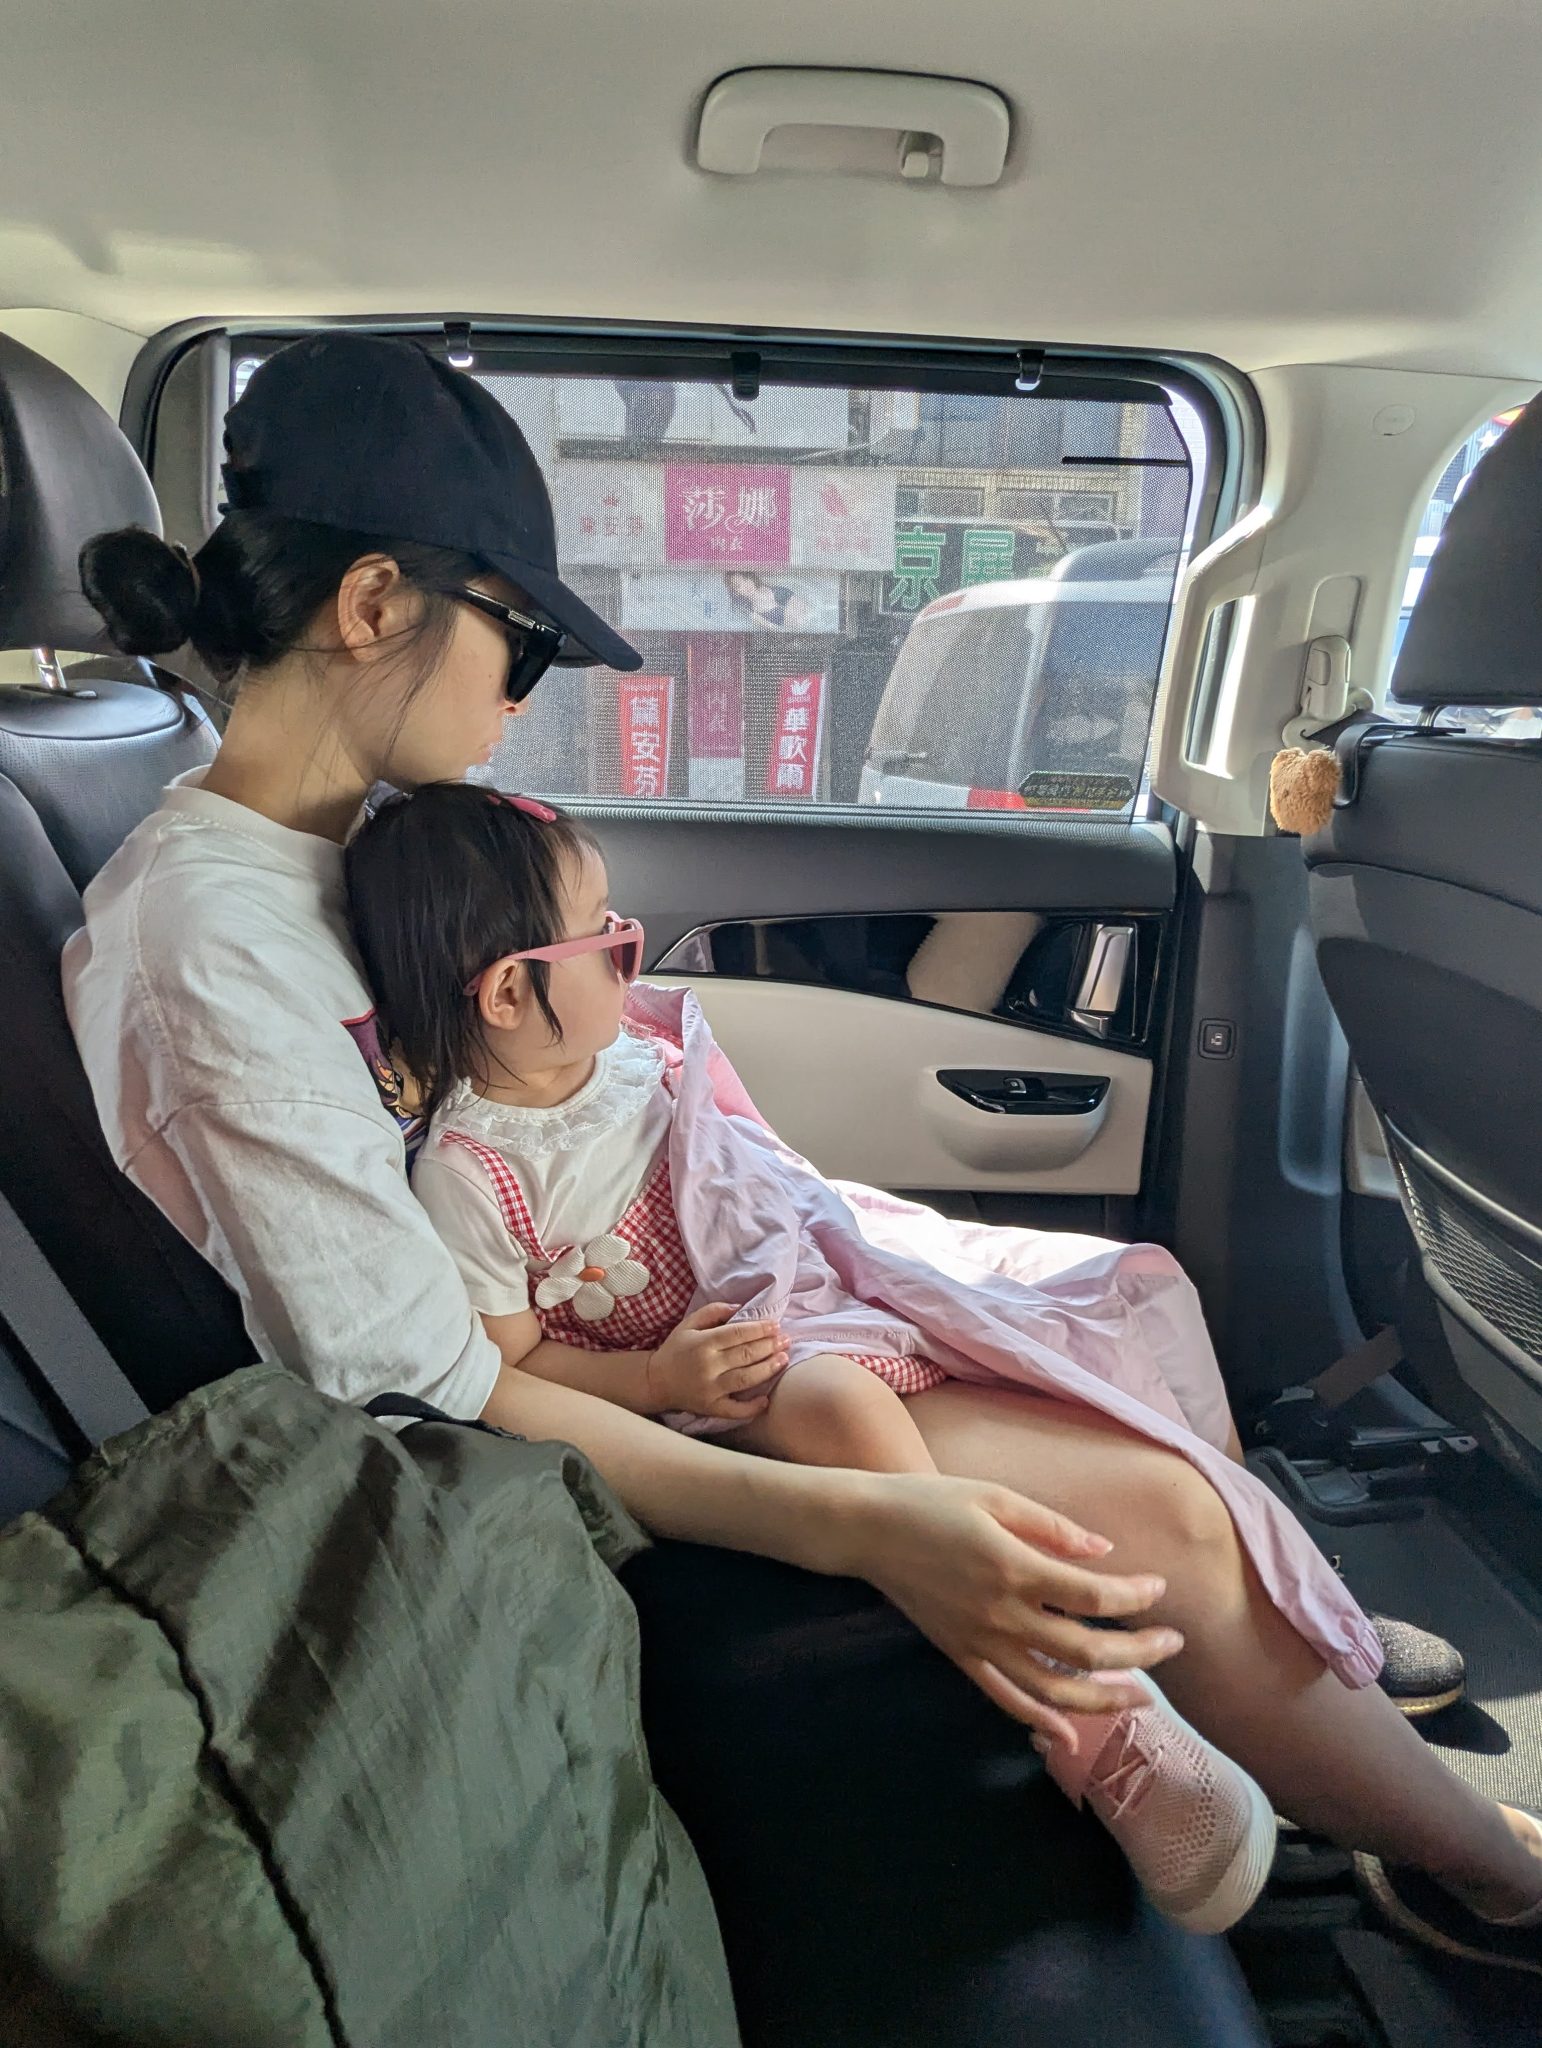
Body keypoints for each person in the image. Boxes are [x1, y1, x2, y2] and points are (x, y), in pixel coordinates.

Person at [62, 333, 1539, 1976]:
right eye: (521, 638)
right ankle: (1479, 1868)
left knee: (1094, 1313)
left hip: (610, 1339)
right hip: (527, 1444)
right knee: (1165, 1519)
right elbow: (420, 1381)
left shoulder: (343, 859)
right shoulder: (210, 940)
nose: (525, 693)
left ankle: (1280, 1670)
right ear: (371, 605)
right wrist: (868, 1529)